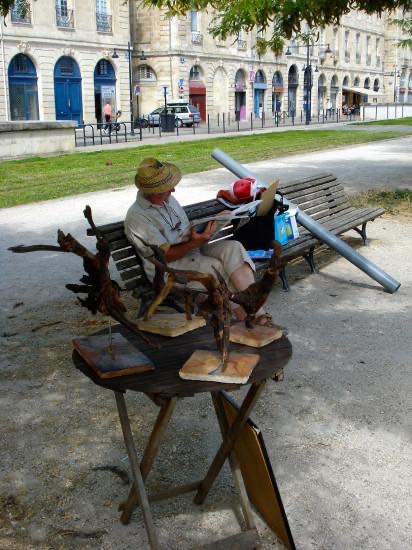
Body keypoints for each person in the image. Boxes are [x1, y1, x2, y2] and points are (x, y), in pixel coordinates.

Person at [125, 157, 281, 327]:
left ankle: (258, 313)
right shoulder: (137, 218)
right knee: (216, 267)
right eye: (167, 189)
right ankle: (248, 321)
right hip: (167, 269)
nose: (173, 191)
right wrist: (193, 243)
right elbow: (164, 256)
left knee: (234, 248)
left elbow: (184, 232)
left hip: (192, 250)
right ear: (152, 191)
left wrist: (215, 223)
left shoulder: (167, 200)